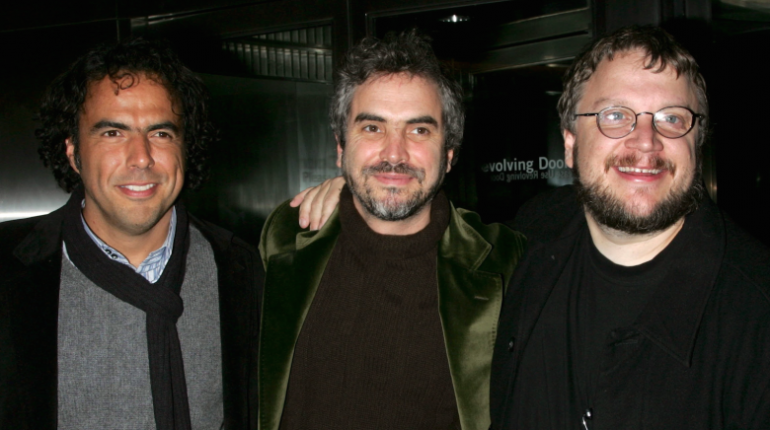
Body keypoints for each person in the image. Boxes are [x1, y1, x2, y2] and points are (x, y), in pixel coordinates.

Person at [489, 26, 770, 429]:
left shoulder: (755, 320)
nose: (646, 141)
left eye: (672, 118)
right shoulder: (527, 241)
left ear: (698, 142)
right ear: (570, 143)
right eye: (616, 116)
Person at [258, 30, 525, 430]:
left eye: (419, 130)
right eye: (372, 128)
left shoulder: (506, 262)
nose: (394, 154)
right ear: (340, 147)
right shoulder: (285, 237)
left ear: (448, 154)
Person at [0, 38, 263, 430]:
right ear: (73, 153)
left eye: (161, 134)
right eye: (112, 133)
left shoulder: (241, 268)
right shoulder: (8, 269)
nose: (141, 157)